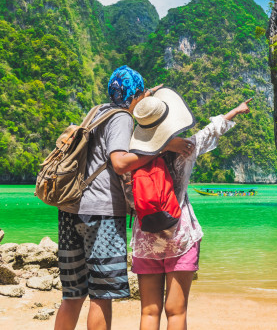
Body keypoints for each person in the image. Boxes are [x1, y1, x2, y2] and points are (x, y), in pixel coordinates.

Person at [54, 66, 191, 330]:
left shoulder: (95, 112)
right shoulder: (121, 118)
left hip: (70, 210)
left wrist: (148, 91)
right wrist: (163, 146)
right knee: (101, 294)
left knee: (72, 294)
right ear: (136, 96)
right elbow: (119, 162)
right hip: (101, 213)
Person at [129, 91, 252, 330]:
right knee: (176, 312)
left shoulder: (131, 157)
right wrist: (236, 111)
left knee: (148, 312)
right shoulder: (185, 147)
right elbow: (212, 130)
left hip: (145, 237)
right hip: (179, 233)